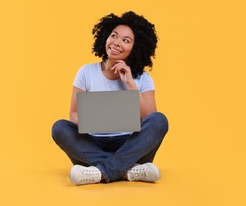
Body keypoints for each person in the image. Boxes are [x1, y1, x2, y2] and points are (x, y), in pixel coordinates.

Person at [51, 11, 169, 186]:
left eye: (126, 40)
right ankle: (129, 170)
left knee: (160, 120)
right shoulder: (86, 72)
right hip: (94, 143)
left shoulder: (142, 78)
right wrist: (96, 122)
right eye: (114, 36)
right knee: (60, 128)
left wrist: (130, 84)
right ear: (105, 37)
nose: (116, 43)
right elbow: (74, 114)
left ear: (135, 49)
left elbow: (151, 117)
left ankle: (99, 171)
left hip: (131, 143)